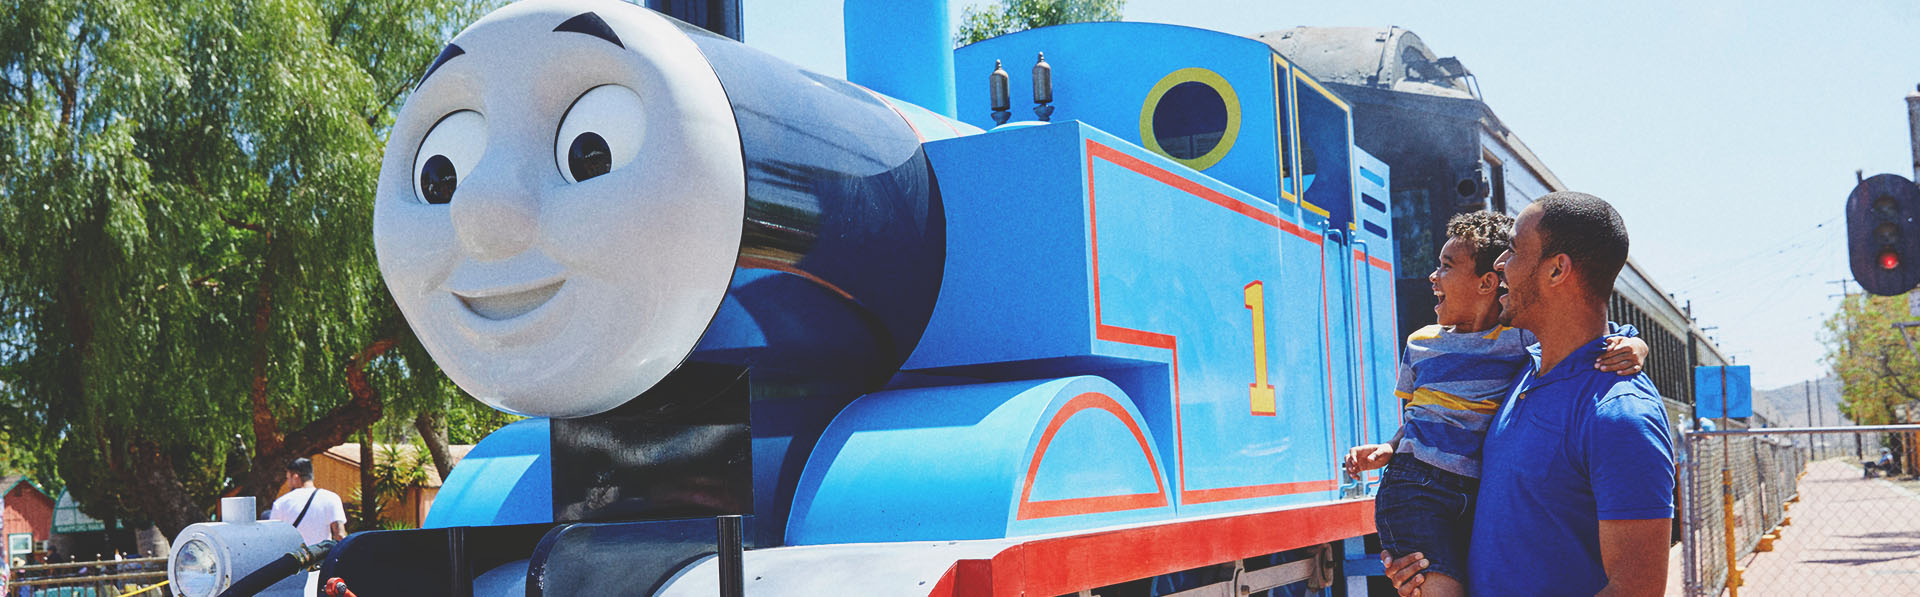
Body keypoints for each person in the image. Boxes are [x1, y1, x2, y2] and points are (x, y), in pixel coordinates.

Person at [1344, 210, 1648, 597]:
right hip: (1415, 485)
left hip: (1472, 490)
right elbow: (1420, 417)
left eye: (1446, 266)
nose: (1432, 276)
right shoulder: (1420, 344)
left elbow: (1593, 334)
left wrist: (1636, 345)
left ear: (1487, 283)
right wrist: (1388, 447)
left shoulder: (1521, 341)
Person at [269, 457, 347, 545]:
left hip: (293, 557)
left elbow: (273, 538)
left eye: (288, 479)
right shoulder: (331, 498)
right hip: (321, 556)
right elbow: (340, 535)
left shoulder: (281, 503)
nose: (288, 484)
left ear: (295, 477)